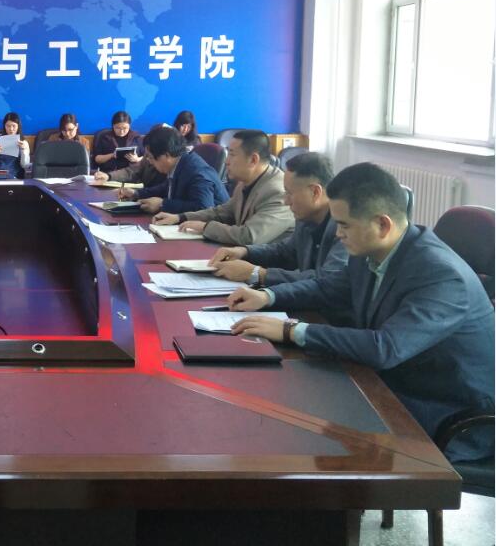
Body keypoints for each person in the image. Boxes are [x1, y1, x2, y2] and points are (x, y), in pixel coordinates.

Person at [228, 163, 495, 462]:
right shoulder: (375, 249)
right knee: (288, 401)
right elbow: (328, 288)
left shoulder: (442, 276)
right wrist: (268, 296)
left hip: (447, 414)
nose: (338, 234)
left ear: (382, 224)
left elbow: (385, 348)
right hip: (394, 381)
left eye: (344, 225)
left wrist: (291, 329)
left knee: (300, 430)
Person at [208, 152, 346, 289]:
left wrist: (259, 274)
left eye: (289, 193)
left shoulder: (345, 227)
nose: (286, 201)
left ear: (315, 192)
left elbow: (327, 280)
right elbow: (285, 252)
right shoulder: (306, 217)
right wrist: (244, 252)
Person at [153, 129, 293, 245]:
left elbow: (249, 236)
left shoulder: (278, 191)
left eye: (232, 155)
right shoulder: (245, 182)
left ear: (253, 160)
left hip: (268, 267)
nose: (226, 161)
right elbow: (221, 212)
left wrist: (205, 227)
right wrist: (180, 217)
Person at [133, 126, 228, 215]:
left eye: (150, 157)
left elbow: (203, 207)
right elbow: (165, 187)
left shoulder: (196, 172)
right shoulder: (180, 163)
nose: (150, 162)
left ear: (166, 155)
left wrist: (163, 204)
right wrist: (136, 193)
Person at [0, 112, 31, 178]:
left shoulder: (23, 142)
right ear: (4, 126)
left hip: (13, 175)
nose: (11, 129)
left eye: (14, 126)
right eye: (8, 126)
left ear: (18, 126)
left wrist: (23, 151)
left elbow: (25, 165)